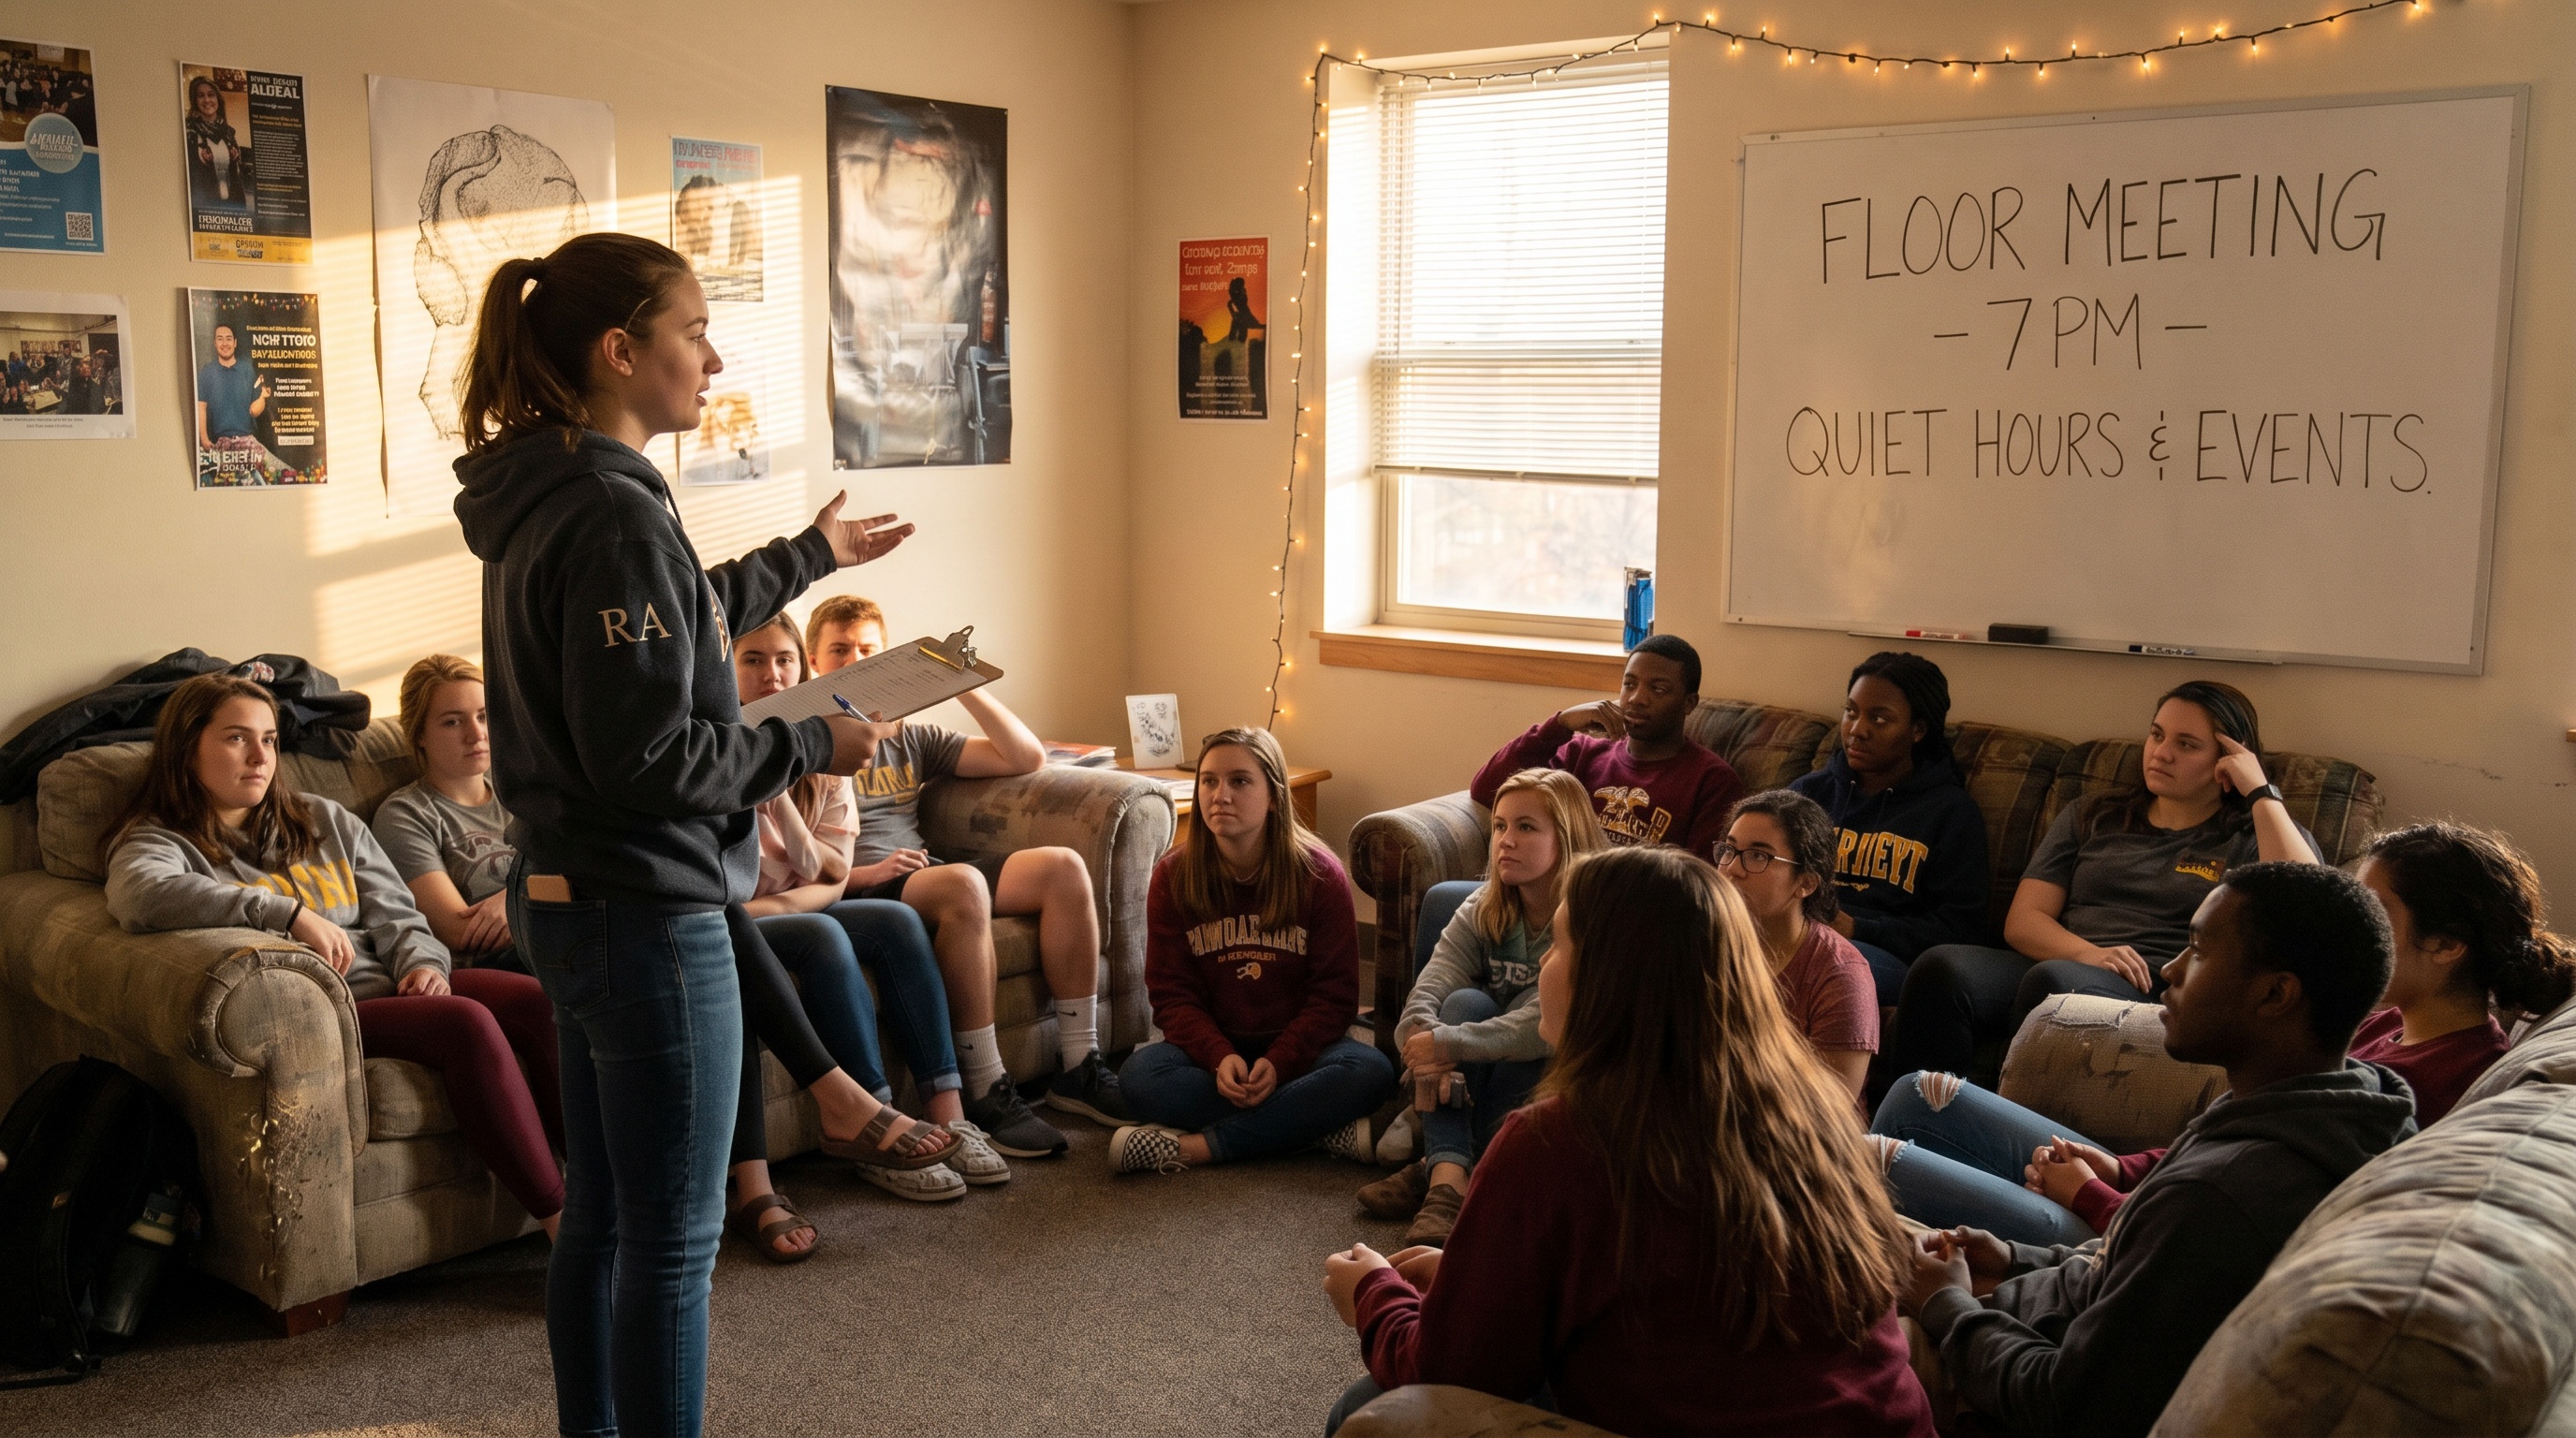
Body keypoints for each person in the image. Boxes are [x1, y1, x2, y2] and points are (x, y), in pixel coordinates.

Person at [453, 229, 907, 1436]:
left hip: (568, 902)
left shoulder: (554, 493)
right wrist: (814, 741)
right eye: (692, 330)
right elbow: (655, 759)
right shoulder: (608, 510)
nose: (712, 355)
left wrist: (813, 557)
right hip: (646, 920)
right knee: (671, 1244)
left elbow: (679, 620)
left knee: (603, 1219)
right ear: (619, 351)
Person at [1321, 845, 1934, 1437]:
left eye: (1559, 946)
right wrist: (1474, 1278)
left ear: (1610, 976)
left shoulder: (1556, 1141)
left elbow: (1445, 1368)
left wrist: (1373, 1294)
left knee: (1370, 1408)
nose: (1542, 967)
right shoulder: (1814, 1107)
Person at [1903, 862, 2414, 1438]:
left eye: (2197, 950)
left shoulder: (2221, 1198)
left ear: (2275, 993)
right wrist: (2016, 1258)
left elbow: (2064, 1407)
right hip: (2017, 1321)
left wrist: (1946, 1308)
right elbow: (2125, 1273)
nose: (2169, 970)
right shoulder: (2337, 1108)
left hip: (1998, 1385)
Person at [104, 674, 566, 1240]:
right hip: (332, 1009)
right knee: (464, 1021)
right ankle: (561, 1221)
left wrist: (423, 964)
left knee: (537, 1001)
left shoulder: (324, 819)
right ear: (186, 747)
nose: (260, 756)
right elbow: (138, 894)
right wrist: (286, 912)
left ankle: (608, 1193)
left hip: (397, 983)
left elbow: (399, 912)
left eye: (270, 740)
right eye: (236, 739)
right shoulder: (160, 841)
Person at [808, 595, 1127, 1153]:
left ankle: (1080, 1064)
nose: (854, 661)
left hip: (920, 872)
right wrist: (869, 873)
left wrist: (958, 683)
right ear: (814, 664)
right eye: (839, 650)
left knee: (1063, 869)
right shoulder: (804, 742)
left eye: (868, 651)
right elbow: (800, 859)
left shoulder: (911, 737)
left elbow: (1024, 757)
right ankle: (983, 1082)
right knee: (960, 882)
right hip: (860, 883)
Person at [1884, 682, 2319, 1087]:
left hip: (2149, 980)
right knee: (1940, 967)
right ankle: (1916, 1128)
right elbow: (2023, 921)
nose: (2161, 753)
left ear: (2228, 759)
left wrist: (2260, 791)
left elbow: (2309, 898)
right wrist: (2089, 954)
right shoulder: (2093, 815)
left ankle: (2008, 1137)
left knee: (2053, 982)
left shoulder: (2251, 835)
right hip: (2071, 957)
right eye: (2157, 735)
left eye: (2185, 745)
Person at [731, 611, 996, 1208]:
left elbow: (832, 876)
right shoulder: (718, 751)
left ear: (803, 668)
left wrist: (780, 799)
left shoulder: (831, 745)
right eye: (753, 660)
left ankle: (948, 1113)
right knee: (822, 936)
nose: (772, 675)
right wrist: (767, 905)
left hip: (769, 912)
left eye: (784, 660)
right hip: (736, 923)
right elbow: (759, 892)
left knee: (895, 920)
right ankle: (870, 1120)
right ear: (727, 668)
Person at [1111, 727, 1395, 1174]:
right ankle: (1313, 1131)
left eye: (1240, 781)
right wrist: (1219, 1055)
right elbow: (1171, 995)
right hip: (1212, 1058)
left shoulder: (1320, 874)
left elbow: (1335, 996)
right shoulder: (1173, 876)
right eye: (1209, 781)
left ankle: (1200, 1147)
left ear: (1274, 797)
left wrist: (1279, 1063)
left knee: (1372, 1070)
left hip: (1299, 1053)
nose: (1220, 795)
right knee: (1138, 1077)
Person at [1359, 769, 1604, 1247]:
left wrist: (1445, 1042)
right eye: (1499, 827)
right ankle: (1449, 1180)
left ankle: (1445, 1166)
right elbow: (1429, 986)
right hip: (1484, 1060)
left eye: (1526, 827)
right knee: (1461, 1002)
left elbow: (1538, 1027)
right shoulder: (1484, 906)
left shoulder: (1587, 915)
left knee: (1505, 1042)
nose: (1505, 841)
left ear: (1568, 836)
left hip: (1561, 1065)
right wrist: (1418, 1036)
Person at [1791, 653, 1992, 1008]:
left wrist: (1857, 928)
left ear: (1918, 730)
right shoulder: (1809, 795)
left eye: (1879, 718)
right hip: (1796, 934)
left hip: (1883, 955)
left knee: (1817, 963)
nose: (1857, 729)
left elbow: (1959, 928)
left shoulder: (1950, 812)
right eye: (1851, 712)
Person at [1469, 635, 1741, 856]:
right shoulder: (1581, 753)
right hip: (1554, 898)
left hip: (1633, 915)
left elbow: (1701, 882)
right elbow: (1488, 789)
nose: (1636, 699)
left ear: (1688, 704)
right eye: (1629, 684)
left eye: (1657, 689)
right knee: (1442, 896)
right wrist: (1560, 724)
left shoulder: (1712, 781)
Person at [1717, 790, 1878, 1101]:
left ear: (1806, 882)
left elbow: (1828, 1115)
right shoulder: (1700, 942)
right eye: (1729, 850)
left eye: (1758, 856)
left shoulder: (1841, 976)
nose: (1732, 869)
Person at [373, 654, 522, 970]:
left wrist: (510, 901)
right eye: (453, 721)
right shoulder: (405, 815)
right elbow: (460, 931)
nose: (476, 734)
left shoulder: (520, 784)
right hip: (498, 965)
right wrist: (535, 897)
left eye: (483, 716)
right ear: (419, 735)